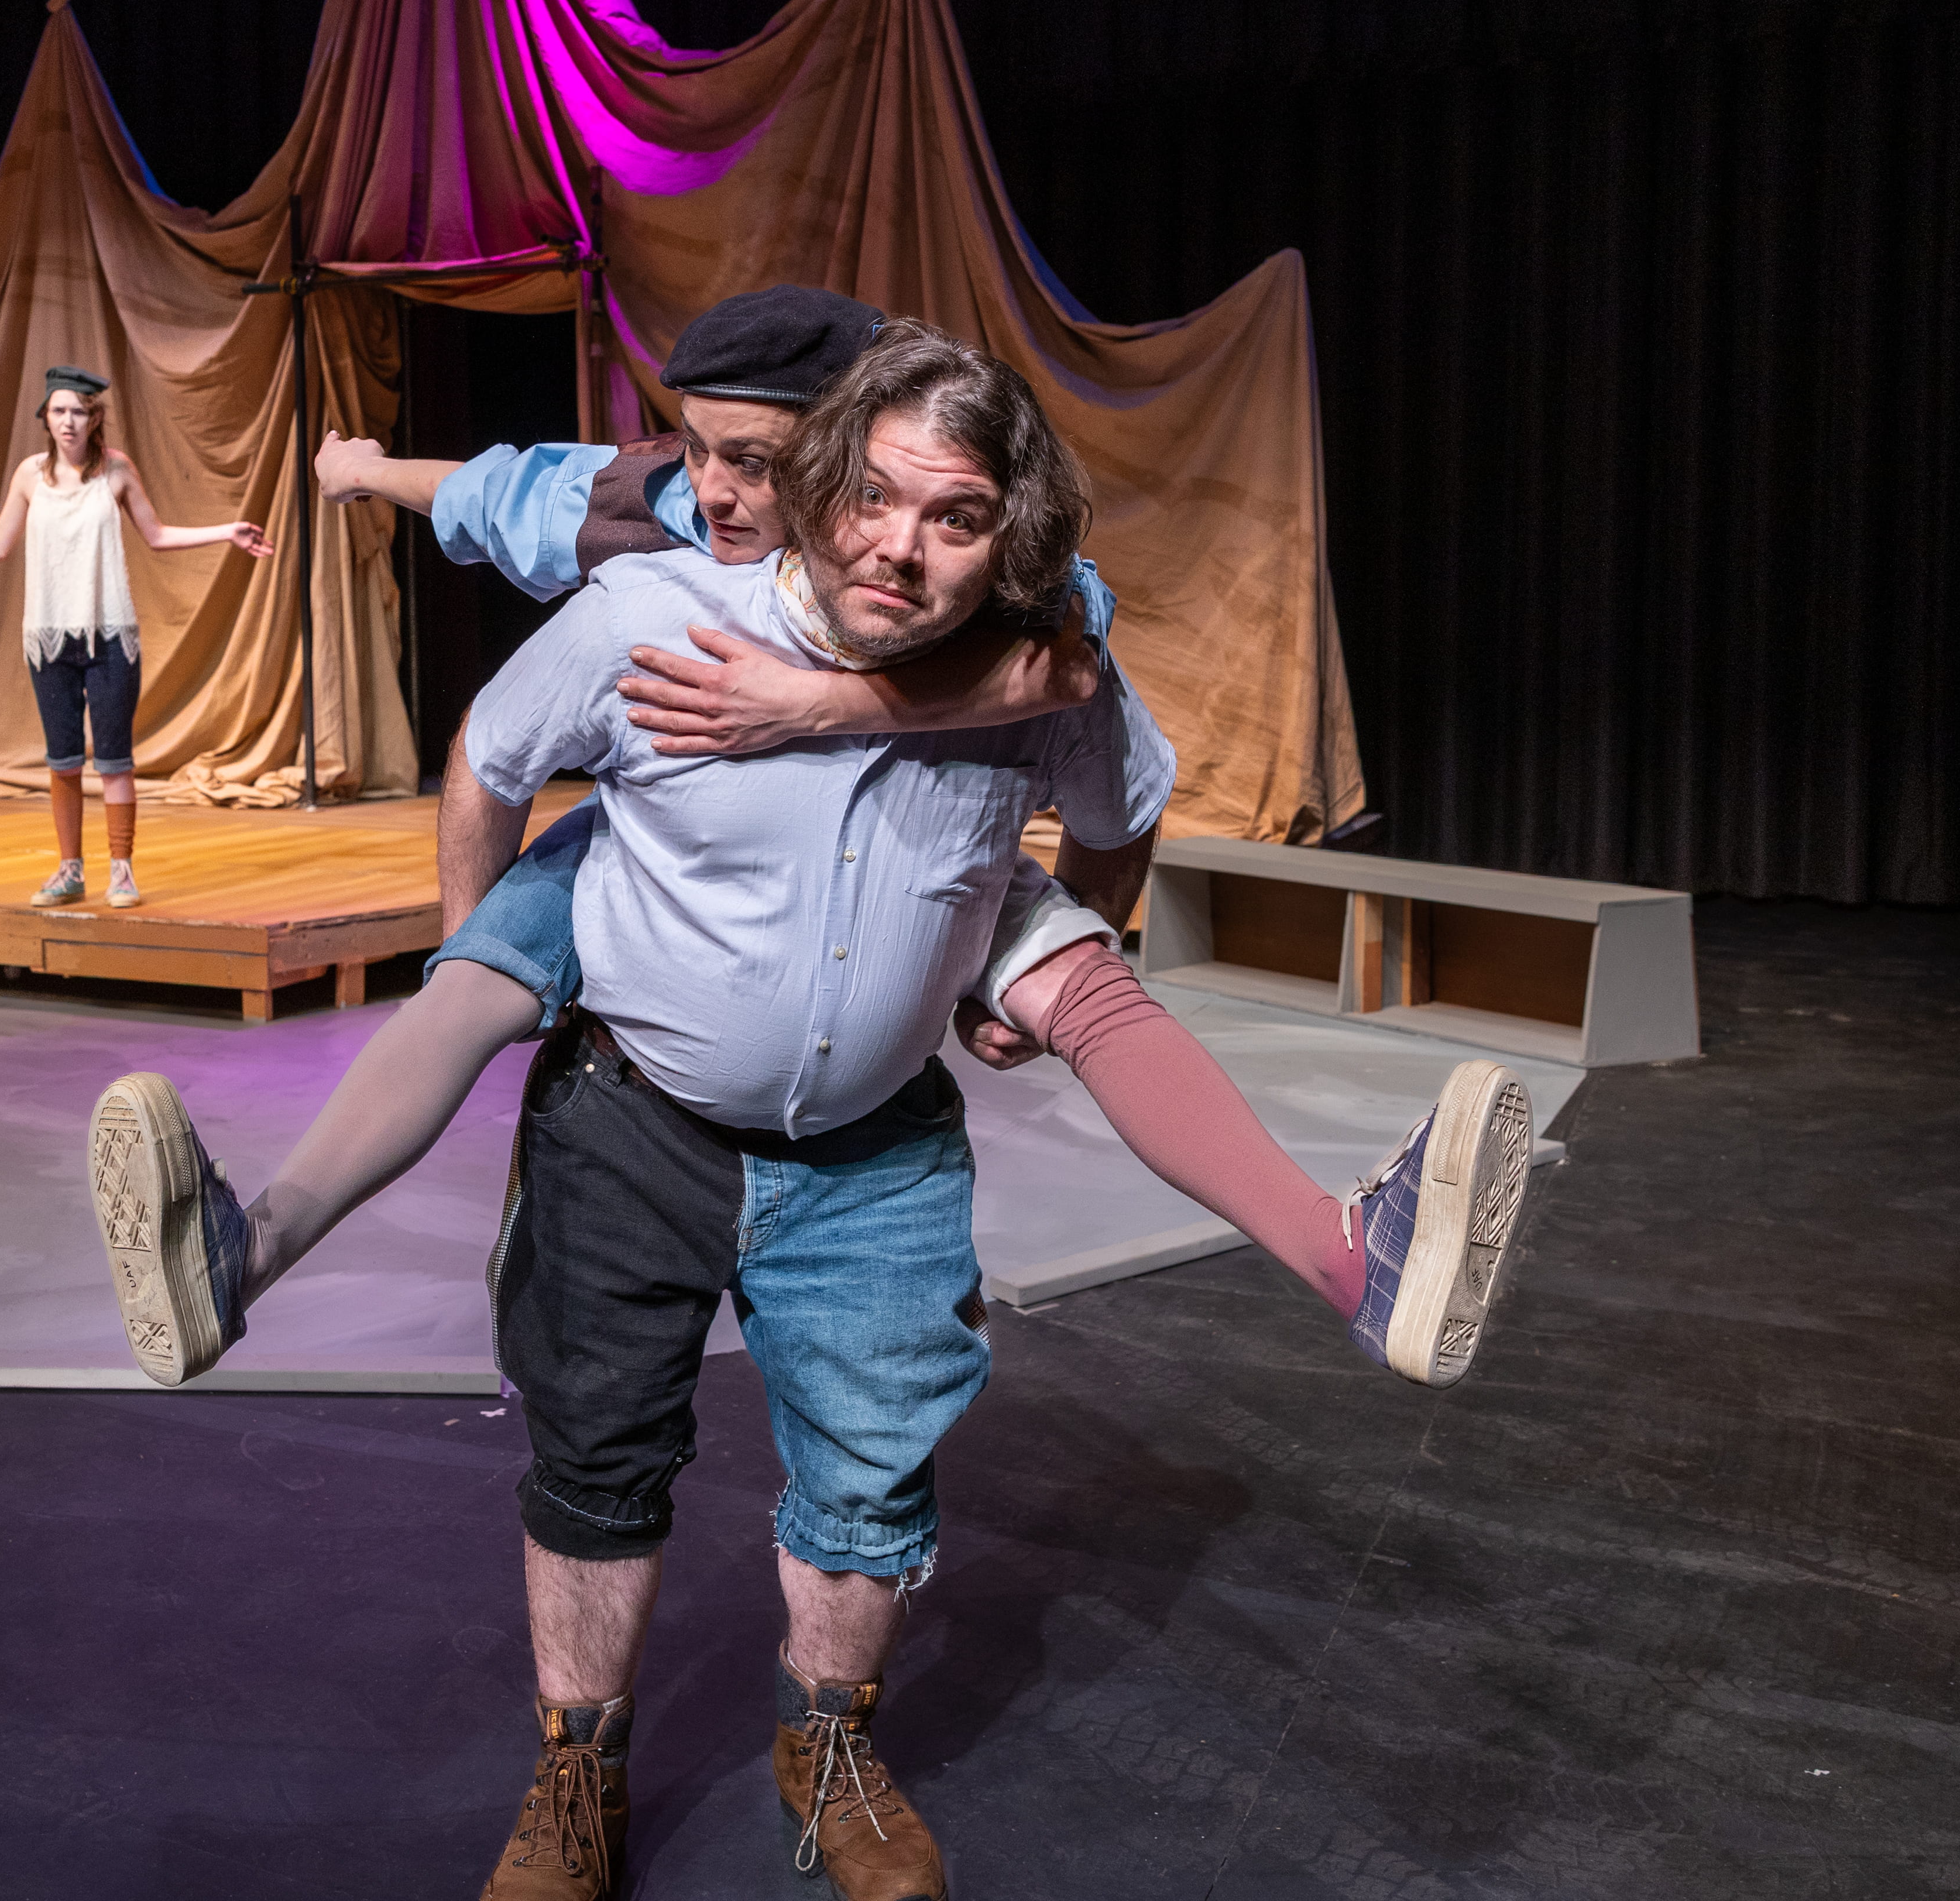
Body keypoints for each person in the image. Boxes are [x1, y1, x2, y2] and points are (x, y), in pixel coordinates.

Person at [101, 329, 1537, 1900]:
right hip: (632, 1114)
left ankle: (841, 1732)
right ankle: (570, 1756)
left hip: (874, 1144)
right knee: (592, 1448)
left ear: (1002, 530)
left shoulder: (1041, 651)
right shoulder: (649, 604)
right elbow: (495, 742)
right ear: (815, 477)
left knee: (878, 1460)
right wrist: (479, 914)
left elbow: (1112, 781)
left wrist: (923, 794)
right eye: (868, 496)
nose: (898, 547)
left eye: (953, 518)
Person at [95, 290, 1512, 1406]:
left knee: (1085, 985)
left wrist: (812, 703)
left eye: (756, 463)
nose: (714, 489)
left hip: (925, 827)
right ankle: (255, 1249)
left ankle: (1351, 1262)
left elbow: (1066, 662)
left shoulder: (947, 530)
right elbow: (494, 491)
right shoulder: (649, 517)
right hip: (664, 833)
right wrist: (355, 467)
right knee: (478, 974)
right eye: (698, 447)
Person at [0, 365, 272, 908]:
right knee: (62, 761)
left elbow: (156, 536)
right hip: (49, 640)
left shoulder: (116, 472)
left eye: (78, 411)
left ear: (95, 417)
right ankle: (69, 870)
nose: (68, 421)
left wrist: (227, 530)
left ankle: (123, 870)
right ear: (46, 417)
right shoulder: (29, 476)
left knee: (113, 760)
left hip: (109, 637)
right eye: (58, 411)